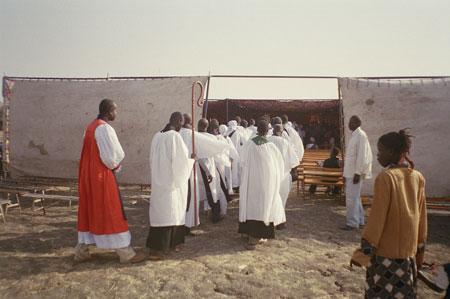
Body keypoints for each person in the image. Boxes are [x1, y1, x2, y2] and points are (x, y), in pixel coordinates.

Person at [350, 129, 427, 298]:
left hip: (384, 260)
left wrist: (363, 254)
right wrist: (419, 257)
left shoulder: (386, 178)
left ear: (391, 152)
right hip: (408, 259)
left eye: (379, 151)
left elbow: (377, 221)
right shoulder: (418, 178)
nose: (377, 156)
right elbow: (422, 221)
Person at [76, 99, 146, 264]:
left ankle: (81, 251)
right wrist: (115, 166)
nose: (116, 113)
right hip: (101, 176)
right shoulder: (104, 128)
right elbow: (112, 155)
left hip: (88, 174)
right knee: (112, 211)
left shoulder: (90, 127)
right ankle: (125, 253)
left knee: (89, 211)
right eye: (115, 110)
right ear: (108, 111)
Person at [146, 112, 196, 260]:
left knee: (163, 213)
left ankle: (167, 245)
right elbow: (180, 162)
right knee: (170, 212)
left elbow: (151, 159)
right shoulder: (174, 136)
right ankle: (160, 248)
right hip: (171, 182)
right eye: (182, 122)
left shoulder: (157, 136)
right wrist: (191, 161)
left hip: (159, 180)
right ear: (179, 121)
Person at [238, 120, 285, 250]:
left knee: (251, 206)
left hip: (250, 182)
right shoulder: (271, 147)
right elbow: (278, 166)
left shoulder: (249, 144)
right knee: (262, 207)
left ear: (257, 130)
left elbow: (241, 159)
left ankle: (248, 233)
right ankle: (257, 236)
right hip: (265, 183)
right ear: (267, 131)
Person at [179, 114, 227, 235]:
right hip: (195, 168)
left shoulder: (177, 134)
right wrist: (225, 145)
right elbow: (208, 150)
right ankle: (187, 225)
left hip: (182, 169)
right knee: (206, 193)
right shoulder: (194, 135)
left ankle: (182, 223)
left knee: (183, 198)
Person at [341, 115, 372, 230]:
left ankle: (352, 223)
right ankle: (359, 220)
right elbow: (350, 158)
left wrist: (358, 173)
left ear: (355, 123)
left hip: (355, 173)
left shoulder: (361, 136)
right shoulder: (354, 136)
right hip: (350, 172)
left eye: (350, 122)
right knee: (355, 197)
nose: (348, 124)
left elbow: (362, 156)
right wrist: (345, 174)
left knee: (351, 198)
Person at [268, 124, 299, 229]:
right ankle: (280, 222)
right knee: (282, 199)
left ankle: (270, 220)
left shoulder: (267, 141)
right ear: (281, 132)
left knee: (271, 198)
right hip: (284, 176)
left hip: (270, 175)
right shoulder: (285, 143)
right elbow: (294, 161)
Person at [219, 124, 239, 195]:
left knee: (222, 176)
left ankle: (224, 191)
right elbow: (232, 150)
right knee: (228, 176)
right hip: (227, 160)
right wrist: (232, 160)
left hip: (220, 161)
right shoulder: (227, 139)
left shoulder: (218, 138)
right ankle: (229, 190)